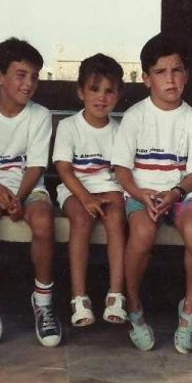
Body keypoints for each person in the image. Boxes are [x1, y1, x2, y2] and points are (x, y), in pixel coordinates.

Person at [111, 33, 192, 354]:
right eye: (160, 72)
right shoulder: (135, 117)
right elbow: (122, 170)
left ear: (187, 75)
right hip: (142, 194)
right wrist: (141, 194)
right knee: (141, 233)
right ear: (145, 79)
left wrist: (177, 192)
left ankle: (189, 313)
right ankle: (136, 309)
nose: (170, 79)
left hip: (180, 194)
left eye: (177, 70)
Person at [0, 38, 60, 347]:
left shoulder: (40, 115)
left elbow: (35, 167)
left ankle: (43, 303)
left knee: (44, 222)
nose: (28, 83)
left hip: (27, 187)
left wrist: (18, 197)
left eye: (34, 76)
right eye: (21, 74)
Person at [52, 54, 128, 327]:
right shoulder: (69, 126)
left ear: (118, 95)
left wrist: (112, 195)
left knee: (116, 215)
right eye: (94, 89)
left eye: (109, 91)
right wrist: (85, 198)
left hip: (108, 188)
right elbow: (63, 169)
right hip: (75, 188)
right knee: (82, 219)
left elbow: (120, 171)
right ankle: (79, 297)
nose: (102, 98)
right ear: (80, 92)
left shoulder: (120, 130)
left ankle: (116, 294)